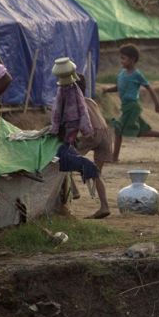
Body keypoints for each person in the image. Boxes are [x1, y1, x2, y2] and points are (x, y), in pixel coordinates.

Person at [49, 58, 110, 219]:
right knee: (96, 172)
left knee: (67, 158)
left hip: (91, 135)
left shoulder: (72, 102)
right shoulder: (90, 101)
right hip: (104, 133)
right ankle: (104, 206)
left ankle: (73, 191)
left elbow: (66, 123)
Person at [103, 44, 159, 161]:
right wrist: (107, 90)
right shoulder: (122, 73)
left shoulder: (137, 74)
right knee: (141, 131)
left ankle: (114, 157)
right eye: (121, 58)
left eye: (124, 58)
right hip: (126, 107)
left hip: (132, 106)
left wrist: (157, 105)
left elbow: (149, 88)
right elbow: (119, 87)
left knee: (118, 129)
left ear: (132, 60)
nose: (121, 61)